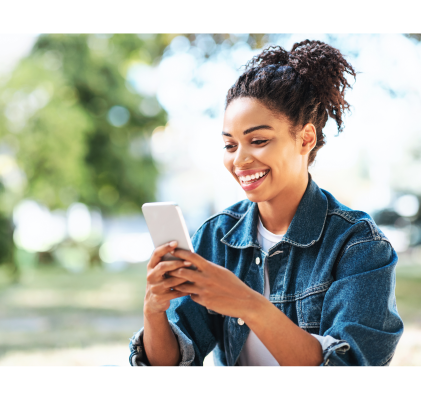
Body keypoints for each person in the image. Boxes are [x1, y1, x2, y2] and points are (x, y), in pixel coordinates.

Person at [128, 39, 404, 366]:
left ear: (306, 139)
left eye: (258, 141)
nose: (240, 160)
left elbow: (350, 374)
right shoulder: (216, 239)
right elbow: (169, 366)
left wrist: (249, 304)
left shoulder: (358, 246)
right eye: (230, 146)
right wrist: (154, 311)